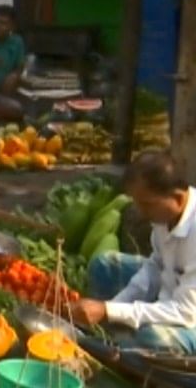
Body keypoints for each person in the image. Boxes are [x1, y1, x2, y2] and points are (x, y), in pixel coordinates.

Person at [72, 151, 196, 353]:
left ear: (178, 199)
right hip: (173, 291)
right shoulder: (164, 216)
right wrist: (112, 306)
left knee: (152, 337)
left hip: (190, 317)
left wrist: (110, 311)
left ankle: (129, 356)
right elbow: (155, 266)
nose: (140, 211)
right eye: (137, 202)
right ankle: (110, 335)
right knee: (104, 265)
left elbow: (186, 312)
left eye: (147, 204)